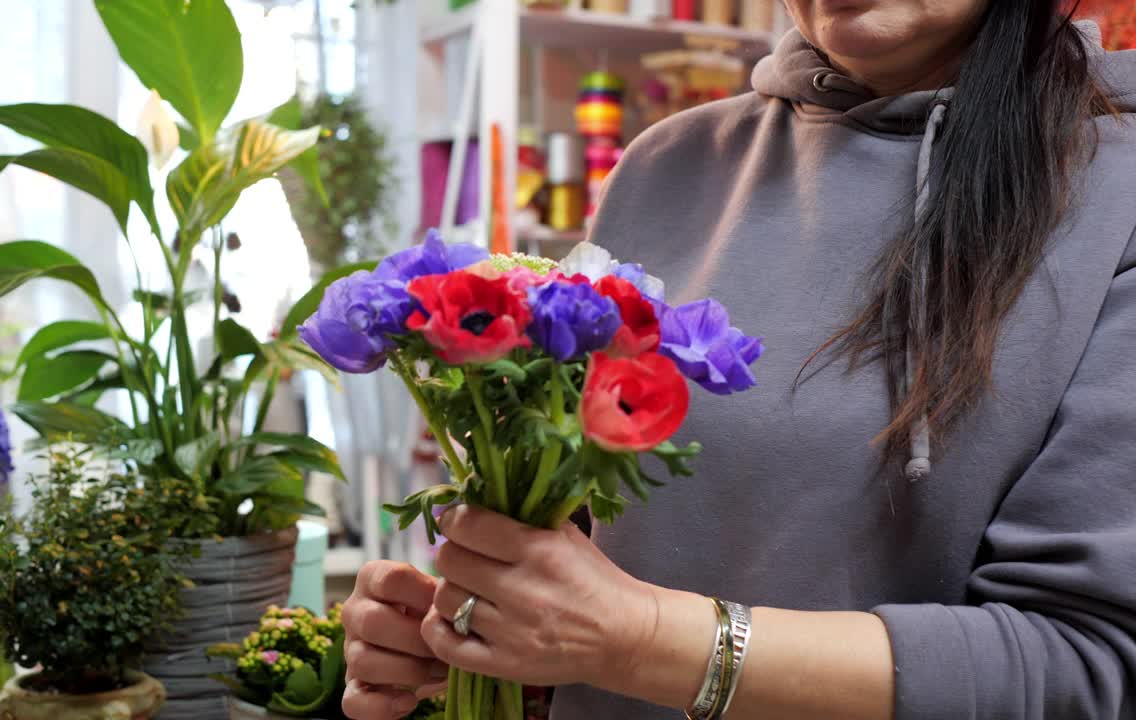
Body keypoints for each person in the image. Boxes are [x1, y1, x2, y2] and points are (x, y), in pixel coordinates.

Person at [340, 2, 1136, 718]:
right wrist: (476, 632)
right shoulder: (665, 166)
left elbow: (1088, 668)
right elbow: (599, 550)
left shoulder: (1116, 195)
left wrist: (639, 640)